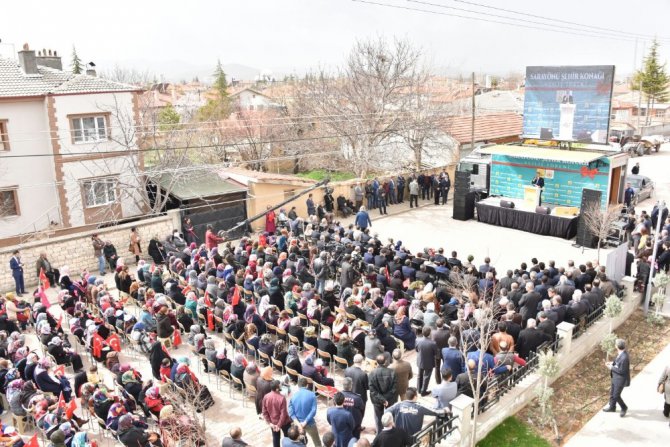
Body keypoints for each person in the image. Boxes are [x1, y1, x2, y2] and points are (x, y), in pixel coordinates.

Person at [289, 377, 322, 447]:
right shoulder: (312, 395)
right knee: (317, 442)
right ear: (307, 385)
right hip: (310, 423)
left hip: (297, 425)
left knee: (299, 442)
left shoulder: (293, 396)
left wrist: (298, 423)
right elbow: (313, 411)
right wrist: (305, 422)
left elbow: (290, 411)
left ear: (298, 386)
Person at [369, 354, 398, 434]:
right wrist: (385, 399)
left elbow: (372, 390)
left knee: (378, 418)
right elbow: (394, 389)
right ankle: (391, 432)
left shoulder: (372, 373)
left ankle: (379, 434)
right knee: (391, 415)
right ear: (385, 362)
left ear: (376, 362)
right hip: (390, 399)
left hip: (377, 400)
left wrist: (383, 399)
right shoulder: (392, 372)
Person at [604, 338, 630, 417]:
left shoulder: (625, 357)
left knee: (616, 395)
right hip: (615, 377)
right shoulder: (621, 353)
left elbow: (622, 371)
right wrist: (611, 363)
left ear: (617, 346)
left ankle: (624, 407)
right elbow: (617, 362)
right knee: (612, 393)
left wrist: (611, 367)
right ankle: (612, 407)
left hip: (620, 380)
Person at [263, 380, 292, 447]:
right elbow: (283, 414)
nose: (281, 386)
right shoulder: (281, 398)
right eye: (280, 385)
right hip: (284, 422)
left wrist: (269, 423)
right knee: (288, 438)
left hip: (273, 423)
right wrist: (279, 425)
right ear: (277, 389)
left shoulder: (266, 397)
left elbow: (264, 411)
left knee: (275, 438)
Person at [415, 326, 437, 396]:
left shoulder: (417, 340)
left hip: (420, 360)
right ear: (430, 333)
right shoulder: (433, 343)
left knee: (419, 375)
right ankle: (423, 391)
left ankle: (419, 389)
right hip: (429, 362)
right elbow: (436, 353)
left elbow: (416, 350)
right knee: (426, 377)